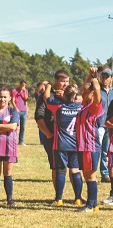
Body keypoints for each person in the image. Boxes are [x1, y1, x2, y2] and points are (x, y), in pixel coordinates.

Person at [45, 82, 83, 206]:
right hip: (75, 144)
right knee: (75, 170)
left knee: (60, 171)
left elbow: (46, 98)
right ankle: (77, 198)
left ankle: (59, 199)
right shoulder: (80, 107)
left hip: (60, 144)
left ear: (64, 95)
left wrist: (49, 86)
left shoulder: (58, 106)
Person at [36, 70, 70, 201]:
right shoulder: (46, 97)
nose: (65, 84)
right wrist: (49, 135)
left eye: (67, 81)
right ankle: (58, 196)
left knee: (73, 168)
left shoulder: (70, 95)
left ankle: (78, 196)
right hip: (53, 138)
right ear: (56, 82)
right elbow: (39, 118)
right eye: (62, 81)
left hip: (69, 138)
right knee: (57, 167)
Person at [76, 69, 104, 213]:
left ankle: (91, 205)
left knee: (91, 175)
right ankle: (92, 204)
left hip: (91, 146)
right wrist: (89, 75)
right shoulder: (85, 106)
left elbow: (96, 87)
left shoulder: (95, 107)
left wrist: (95, 77)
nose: (82, 92)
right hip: (83, 146)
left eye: (86, 92)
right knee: (87, 175)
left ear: (92, 94)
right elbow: (85, 86)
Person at [97, 68, 113, 183]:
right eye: (103, 76)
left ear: (111, 78)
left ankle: (105, 173)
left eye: (107, 77)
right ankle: (93, 173)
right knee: (96, 149)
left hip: (110, 125)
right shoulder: (97, 90)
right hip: (99, 123)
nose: (105, 79)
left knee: (106, 150)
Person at [11, 80, 29, 146]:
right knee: (16, 126)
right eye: (22, 85)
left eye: (24, 85)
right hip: (17, 111)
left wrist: (24, 92)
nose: (23, 86)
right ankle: (13, 140)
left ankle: (21, 141)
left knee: (23, 127)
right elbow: (12, 100)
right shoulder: (14, 91)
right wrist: (16, 108)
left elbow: (26, 99)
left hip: (24, 111)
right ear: (20, 84)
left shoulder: (26, 91)